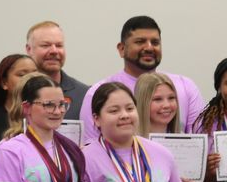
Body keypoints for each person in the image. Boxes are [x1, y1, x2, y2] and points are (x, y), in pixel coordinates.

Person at [79, 16, 206, 144]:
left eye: (155, 42)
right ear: (121, 49)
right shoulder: (97, 92)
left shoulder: (186, 86)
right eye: (140, 42)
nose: (149, 48)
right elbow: (90, 146)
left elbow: (201, 143)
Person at [24, 21, 87, 121]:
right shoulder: (17, 92)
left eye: (59, 45)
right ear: (29, 49)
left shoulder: (84, 95)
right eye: (45, 45)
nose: (54, 51)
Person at [0, 54, 38, 147]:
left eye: (35, 74)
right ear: (4, 82)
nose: (30, 79)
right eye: (22, 75)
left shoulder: (44, 116)